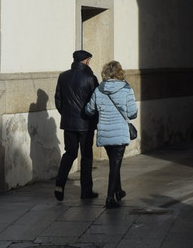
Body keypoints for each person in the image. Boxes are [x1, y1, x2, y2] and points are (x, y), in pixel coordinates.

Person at [85, 59, 138, 208]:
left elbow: (89, 110)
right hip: (120, 132)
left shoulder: (99, 89)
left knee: (115, 162)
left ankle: (119, 191)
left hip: (105, 131)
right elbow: (133, 113)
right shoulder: (126, 89)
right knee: (115, 164)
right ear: (119, 72)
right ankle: (109, 197)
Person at [53, 49, 99, 201]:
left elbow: (58, 99)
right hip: (86, 124)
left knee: (69, 154)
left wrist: (66, 115)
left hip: (69, 123)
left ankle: (59, 185)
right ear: (86, 60)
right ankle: (86, 191)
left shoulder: (63, 76)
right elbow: (96, 102)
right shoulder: (90, 78)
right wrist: (93, 118)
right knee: (86, 157)